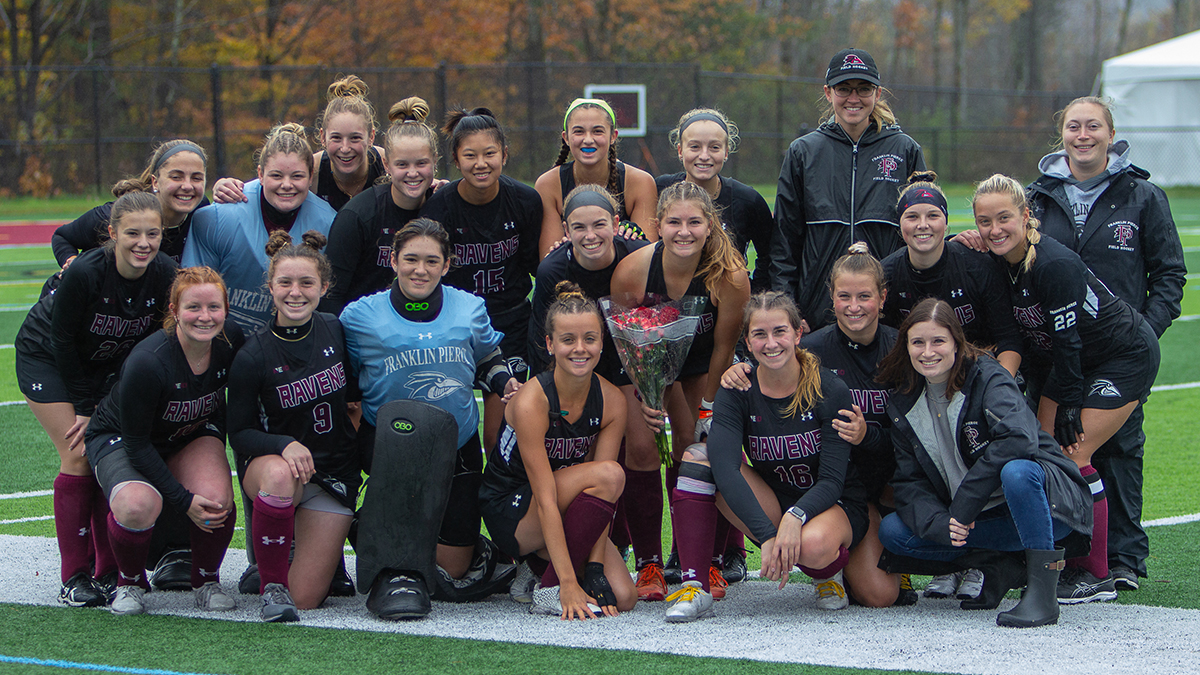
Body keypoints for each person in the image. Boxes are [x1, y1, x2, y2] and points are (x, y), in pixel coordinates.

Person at [972, 174, 1161, 604]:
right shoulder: (1001, 261)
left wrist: (1071, 402)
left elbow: (1069, 342)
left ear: (1026, 216)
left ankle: (1092, 572)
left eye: (1005, 218)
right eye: (985, 221)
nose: (995, 229)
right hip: (1069, 364)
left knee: (1074, 454)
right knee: (1039, 452)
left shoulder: (1052, 264)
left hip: (1122, 357)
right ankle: (1036, 556)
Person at [1026, 97, 1186, 591]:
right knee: (1055, 449)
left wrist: (1142, 333)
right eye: (1074, 126)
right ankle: (1071, 557)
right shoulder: (1036, 197)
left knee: (1119, 451)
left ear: (1110, 134)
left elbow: (1169, 274)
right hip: (1054, 355)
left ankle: (1123, 559)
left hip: (1120, 352)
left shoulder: (1142, 196)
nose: (1083, 134)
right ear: (1063, 136)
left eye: (1093, 125)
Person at [340, 218, 520, 619]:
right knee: (410, 541)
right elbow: (348, 385)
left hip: (457, 442)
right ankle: (371, 526)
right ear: (392, 260)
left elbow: (488, 357)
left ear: (447, 263)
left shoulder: (469, 307)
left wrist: (505, 382)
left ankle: (472, 549)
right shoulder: (358, 316)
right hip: (390, 444)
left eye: (431, 261)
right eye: (410, 259)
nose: (420, 270)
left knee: (450, 572)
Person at [875, 298, 1093, 628]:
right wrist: (940, 522)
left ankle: (1042, 595)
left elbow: (1019, 438)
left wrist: (963, 505)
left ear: (956, 344)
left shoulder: (988, 376)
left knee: (1017, 471)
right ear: (906, 347)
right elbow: (909, 482)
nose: (927, 351)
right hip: (982, 521)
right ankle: (1000, 564)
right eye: (917, 342)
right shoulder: (904, 399)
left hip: (1045, 507)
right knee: (894, 533)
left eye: (938, 341)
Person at [15, 190, 178, 608]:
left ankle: (109, 571)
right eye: (133, 234)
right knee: (78, 454)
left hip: (103, 366)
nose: (144, 243)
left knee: (109, 450)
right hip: (48, 358)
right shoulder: (87, 272)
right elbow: (62, 341)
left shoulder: (165, 273)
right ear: (112, 233)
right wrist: (87, 407)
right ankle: (74, 577)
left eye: (153, 234)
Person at [722, 244, 910, 607]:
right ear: (831, 298)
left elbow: (914, 440)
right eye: (844, 296)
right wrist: (739, 370)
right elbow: (770, 361)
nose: (853, 306)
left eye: (864, 296)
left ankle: (887, 553)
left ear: (883, 297)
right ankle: (827, 566)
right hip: (824, 483)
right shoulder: (810, 348)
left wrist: (867, 435)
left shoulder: (901, 350)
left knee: (879, 595)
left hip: (884, 483)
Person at [666, 291, 868, 621]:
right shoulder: (736, 388)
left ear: (798, 333)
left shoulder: (829, 389)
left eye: (779, 332)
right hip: (774, 498)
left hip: (833, 502)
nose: (770, 343)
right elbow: (725, 466)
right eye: (759, 334)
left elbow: (833, 480)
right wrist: (768, 535)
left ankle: (828, 575)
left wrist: (796, 516)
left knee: (812, 546)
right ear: (746, 340)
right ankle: (695, 585)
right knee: (697, 459)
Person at [609, 180, 750, 602]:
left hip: (705, 367)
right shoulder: (633, 271)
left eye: (694, 222)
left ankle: (706, 560)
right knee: (642, 447)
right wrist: (648, 394)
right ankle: (649, 563)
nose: (683, 231)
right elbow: (629, 344)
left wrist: (708, 409)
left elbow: (724, 348)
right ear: (657, 225)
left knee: (703, 447)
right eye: (673, 222)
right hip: (651, 368)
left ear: (710, 225)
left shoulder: (730, 275)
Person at [84, 266, 245, 616]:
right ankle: (129, 583)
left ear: (226, 309)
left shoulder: (232, 339)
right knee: (138, 504)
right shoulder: (148, 361)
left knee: (217, 501)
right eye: (193, 307)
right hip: (123, 439)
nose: (205, 317)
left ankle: (206, 580)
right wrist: (182, 499)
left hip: (189, 432)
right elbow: (138, 444)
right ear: (173, 311)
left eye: (214, 307)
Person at [480, 282, 636, 619]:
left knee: (623, 596)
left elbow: (603, 500)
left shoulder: (612, 400)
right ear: (550, 344)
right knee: (610, 473)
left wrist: (594, 569)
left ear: (601, 341)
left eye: (589, 339)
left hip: (568, 501)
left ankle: (538, 566)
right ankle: (549, 585)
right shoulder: (531, 402)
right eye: (568, 340)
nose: (580, 349)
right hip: (515, 507)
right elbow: (546, 496)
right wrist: (566, 581)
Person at [227, 231, 360, 622]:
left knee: (305, 598)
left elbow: (352, 398)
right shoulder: (252, 354)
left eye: (306, 283)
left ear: (324, 286)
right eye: (285, 283)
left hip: (331, 474)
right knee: (281, 475)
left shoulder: (335, 328)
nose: (295, 292)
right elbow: (239, 433)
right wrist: (284, 444)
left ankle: (300, 554)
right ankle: (271, 585)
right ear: (270, 287)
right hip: (277, 471)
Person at [770, 47, 926, 330]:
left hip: (888, 312)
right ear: (828, 93)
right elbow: (784, 240)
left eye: (863, 89)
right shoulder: (803, 152)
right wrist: (788, 309)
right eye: (844, 89)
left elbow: (924, 231)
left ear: (877, 94)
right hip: (817, 312)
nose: (853, 98)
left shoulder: (904, 149)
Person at [420, 106, 541, 450]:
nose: (481, 163)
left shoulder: (525, 201)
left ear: (504, 154)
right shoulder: (439, 207)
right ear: (455, 161)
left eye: (490, 153)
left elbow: (538, 266)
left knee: (501, 431)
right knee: (451, 428)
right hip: (456, 326)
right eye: (470, 155)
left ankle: (500, 495)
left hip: (510, 325)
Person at [182, 123, 337, 334]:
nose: (286, 184)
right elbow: (191, 290)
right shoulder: (218, 217)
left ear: (311, 177)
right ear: (260, 174)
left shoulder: (329, 222)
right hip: (222, 341)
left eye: (297, 176)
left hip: (293, 341)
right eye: (276, 175)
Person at [881, 171, 1023, 376]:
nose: (923, 224)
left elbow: (1009, 339)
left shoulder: (978, 266)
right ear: (899, 225)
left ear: (946, 224)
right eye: (912, 216)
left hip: (978, 376)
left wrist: (996, 390)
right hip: (917, 381)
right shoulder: (887, 275)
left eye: (933, 215)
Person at [321, 96, 440, 313]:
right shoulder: (357, 216)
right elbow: (331, 296)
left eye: (421, 163)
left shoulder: (444, 208)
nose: (412, 173)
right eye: (402, 164)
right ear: (386, 163)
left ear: (435, 161)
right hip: (368, 334)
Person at [212, 75, 386, 212]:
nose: (345, 148)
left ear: (371, 137)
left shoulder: (386, 165)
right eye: (336, 138)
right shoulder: (312, 170)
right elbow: (270, 182)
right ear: (322, 137)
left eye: (355, 138)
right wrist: (226, 187)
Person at [527, 185, 649, 379]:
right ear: (566, 229)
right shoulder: (552, 270)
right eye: (579, 227)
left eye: (599, 225)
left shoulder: (640, 256)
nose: (590, 235)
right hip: (578, 363)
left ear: (616, 224)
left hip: (629, 362)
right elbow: (541, 342)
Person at [655, 108, 774, 292]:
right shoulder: (659, 190)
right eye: (694, 147)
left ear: (726, 152)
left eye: (714, 147)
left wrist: (754, 294)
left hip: (728, 302)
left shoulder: (748, 200)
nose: (704, 155)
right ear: (680, 150)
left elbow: (770, 255)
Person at [50, 140, 209, 269]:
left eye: (196, 178)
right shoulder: (116, 215)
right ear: (155, 182)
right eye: (176, 177)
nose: (187, 186)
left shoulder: (201, 209)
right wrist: (71, 263)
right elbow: (62, 237)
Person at [535, 98, 659, 257]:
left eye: (597, 131)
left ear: (613, 136)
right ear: (566, 138)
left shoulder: (639, 182)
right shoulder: (548, 184)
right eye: (579, 131)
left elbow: (646, 256)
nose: (588, 140)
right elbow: (550, 259)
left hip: (625, 277)